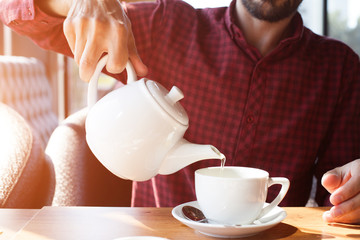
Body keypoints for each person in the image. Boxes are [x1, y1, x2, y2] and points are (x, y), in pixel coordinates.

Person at [1, 0, 359, 224]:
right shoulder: (166, 23)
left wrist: (351, 193)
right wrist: (81, 2)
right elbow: (15, 11)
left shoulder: (339, 68)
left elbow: (340, 193)